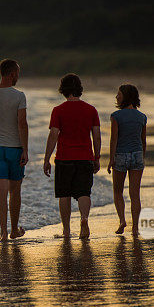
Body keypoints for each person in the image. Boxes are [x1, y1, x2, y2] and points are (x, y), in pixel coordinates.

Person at [42, 73, 101, 239]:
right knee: (84, 192)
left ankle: (66, 230)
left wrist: (47, 159)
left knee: (64, 194)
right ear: (79, 89)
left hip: (64, 158)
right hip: (85, 157)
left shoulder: (58, 110)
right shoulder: (91, 110)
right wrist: (97, 157)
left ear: (63, 90)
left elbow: (53, 135)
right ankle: (84, 219)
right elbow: (96, 136)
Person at [0, 58, 29, 242]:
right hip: (13, 149)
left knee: (0, 192)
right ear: (12, 74)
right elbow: (22, 124)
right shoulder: (19, 96)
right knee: (15, 191)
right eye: (17, 73)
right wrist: (25, 150)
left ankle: (2, 232)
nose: (18, 76)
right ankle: (13, 230)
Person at [107, 84, 147, 236]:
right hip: (137, 154)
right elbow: (143, 141)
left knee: (118, 191)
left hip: (121, 155)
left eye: (119, 94)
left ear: (125, 97)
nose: (116, 97)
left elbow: (114, 140)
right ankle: (135, 227)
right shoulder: (142, 116)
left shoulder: (116, 116)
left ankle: (122, 220)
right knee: (135, 193)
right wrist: (142, 157)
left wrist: (111, 159)